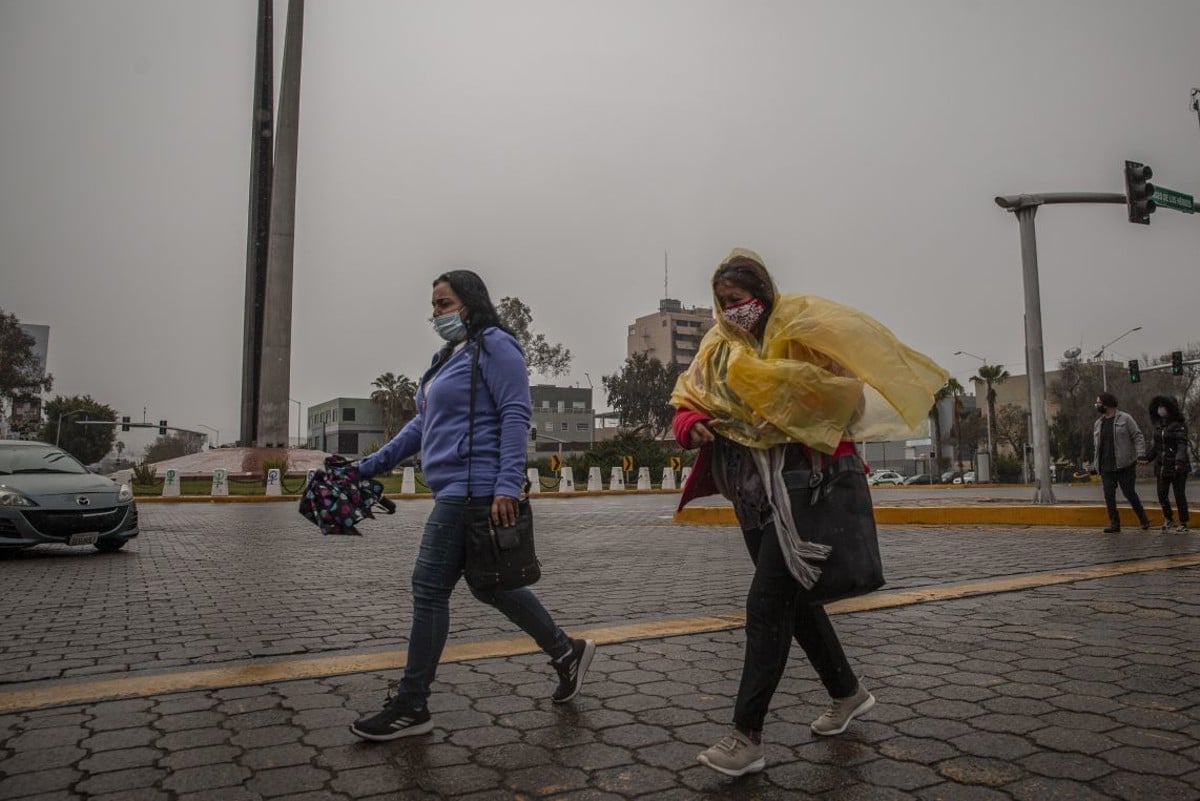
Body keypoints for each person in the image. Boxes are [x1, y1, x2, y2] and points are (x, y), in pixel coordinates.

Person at [671, 248, 947, 777]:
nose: (731, 311)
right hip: (752, 495)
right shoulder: (716, 350)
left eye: (739, 300)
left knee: (766, 606)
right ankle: (847, 692)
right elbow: (688, 402)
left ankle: (746, 736)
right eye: (722, 303)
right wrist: (691, 426)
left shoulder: (803, 333)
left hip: (802, 490)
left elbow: (852, 402)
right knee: (795, 607)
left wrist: (787, 395)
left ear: (762, 295)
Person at [349, 270, 595, 742]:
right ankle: (567, 652)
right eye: (434, 306)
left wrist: (507, 483)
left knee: (428, 589)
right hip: (454, 488)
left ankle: (412, 704)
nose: (436, 314)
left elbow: (515, 412)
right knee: (491, 586)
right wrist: (366, 466)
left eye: (443, 304)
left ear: (469, 302)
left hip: (474, 488)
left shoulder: (495, 345)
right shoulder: (446, 359)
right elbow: (420, 428)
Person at [1091, 392, 1150, 534]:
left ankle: (1143, 519)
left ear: (1107, 404)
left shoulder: (1125, 419)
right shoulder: (1098, 423)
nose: (1097, 405)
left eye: (1099, 403)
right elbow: (1097, 447)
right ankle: (1114, 524)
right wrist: (1094, 465)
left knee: (1129, 493)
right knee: (1109, 496)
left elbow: (1137, 436)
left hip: (1125, 465)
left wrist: (1141, 454)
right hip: (1106, 466)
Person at [1143, 394, 1190, 533]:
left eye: (1163, 407)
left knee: (1179, 495)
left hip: (1177, 467)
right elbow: (1156, 447)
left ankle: (1183, 522)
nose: (1161, 410)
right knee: (1161, 494)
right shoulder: (1158, 426)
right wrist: (1146, 458)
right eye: (1159, 407)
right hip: (1162, 467)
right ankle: (1168, 518)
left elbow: (1182, 445)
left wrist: (1179, 461)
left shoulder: (1179, 426)